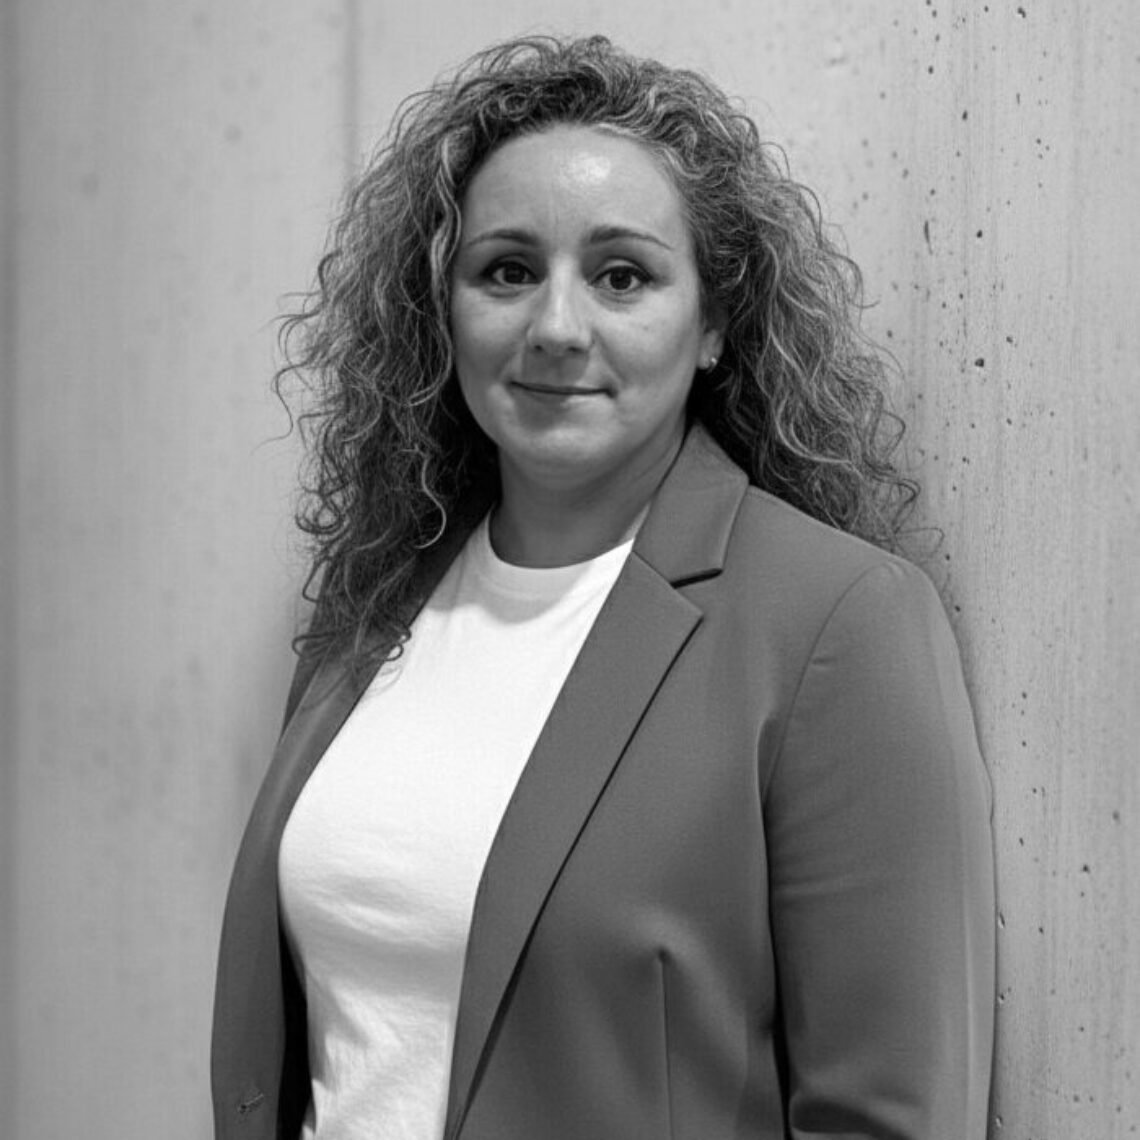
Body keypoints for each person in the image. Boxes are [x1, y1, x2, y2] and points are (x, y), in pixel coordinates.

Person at [211, 34, 995, 1140]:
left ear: (713, 322)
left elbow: (888, 1115)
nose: (556, 328)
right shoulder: (371, 609)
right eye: (507, 271)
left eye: (622, 275)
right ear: (442, 310)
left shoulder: (836, 624)